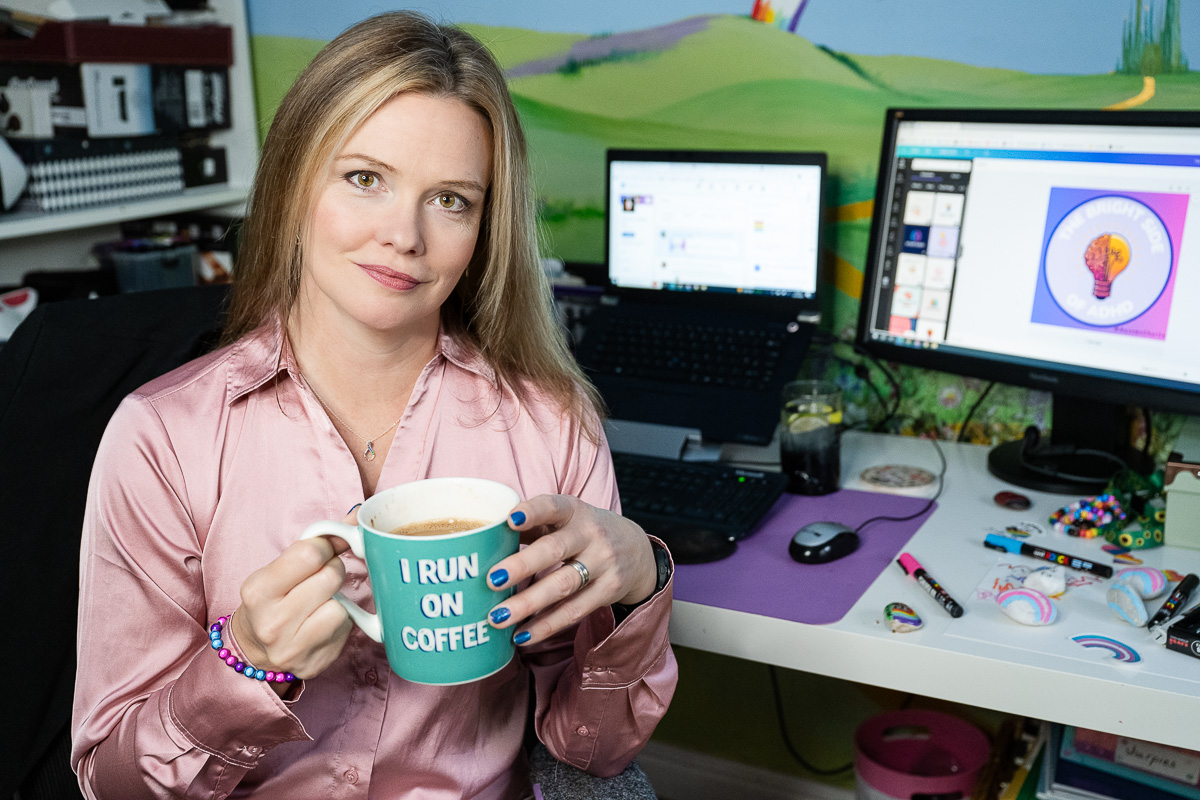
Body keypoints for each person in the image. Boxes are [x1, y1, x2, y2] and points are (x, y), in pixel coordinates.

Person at [71, 11, 677, 799]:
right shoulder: (163, 439)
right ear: (295, 182)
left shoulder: (551, 424)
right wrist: (245, 662)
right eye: (365, 178)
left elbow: (592, 753)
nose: (405, 235)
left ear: (483, 228)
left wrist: (637, 586)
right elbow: (110, 782)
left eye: (451, 200)